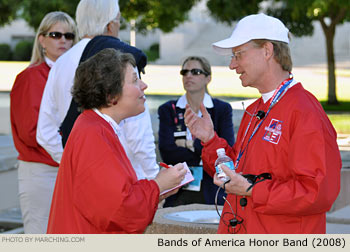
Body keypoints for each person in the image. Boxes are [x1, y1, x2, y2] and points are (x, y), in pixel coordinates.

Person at [184, 13, 341, 234]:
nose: (232, 65)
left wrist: (252, 189)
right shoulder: (254, 110)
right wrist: (210, 140)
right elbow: (238, 170)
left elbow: (318, 192)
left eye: (238, 54)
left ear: (267, 51)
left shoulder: (305, 111)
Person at [47, 48, 186, 234]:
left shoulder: (97, 126)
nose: (144, 85)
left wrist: (159, 190)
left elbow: (114, 195)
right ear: (111, 95)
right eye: (135, 80)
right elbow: (118, 210)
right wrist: (158, 185)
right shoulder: (94, 134)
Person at [36, 0, 159, 180]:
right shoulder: (121, 60)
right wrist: (155, 177)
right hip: (127, 177)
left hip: (81, 176)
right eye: (118, 21)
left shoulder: (60, 63)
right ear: (110, 25)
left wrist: (74, 162)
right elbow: (138, 132)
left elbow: (45, 133)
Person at [10, 11, 77, 234]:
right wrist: (70, 153)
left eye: (69, 36)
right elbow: (31, 132)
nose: (63, 41)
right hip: (42, 172)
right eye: (56, 34)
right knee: (40, 237)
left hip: (68, 169)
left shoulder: (74, 76)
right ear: (42, 40)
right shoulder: (30, 77)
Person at [158, 56, 235, 207]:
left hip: (212, 189)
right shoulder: (168, 109)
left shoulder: (222, 110)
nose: (189, 76)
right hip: (178, 189)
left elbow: (226, 152)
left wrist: (188, 145)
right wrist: (205, 150)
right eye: (184, 72)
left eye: (195, 72)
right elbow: (167, 152)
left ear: (208, 78)